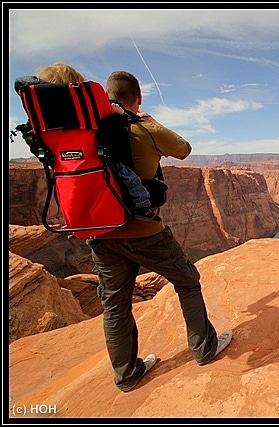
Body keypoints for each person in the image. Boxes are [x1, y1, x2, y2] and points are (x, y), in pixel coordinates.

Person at [86, 70, 232, 392]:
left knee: (114, 305)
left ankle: (126, 374)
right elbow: (183, 148)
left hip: (100, 233)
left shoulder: (85, 132)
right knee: (188, 281)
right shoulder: (142, 128)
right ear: (137, 98)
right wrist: (146, 118)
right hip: (143, 231)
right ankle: (204, 348)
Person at [33, 62, 158, 221]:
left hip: (65, 168)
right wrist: (120, 116)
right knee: (127, 174)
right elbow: (114, 137)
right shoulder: (84, 112)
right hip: (97, 158)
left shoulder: (42, 121)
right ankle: (142, 206)